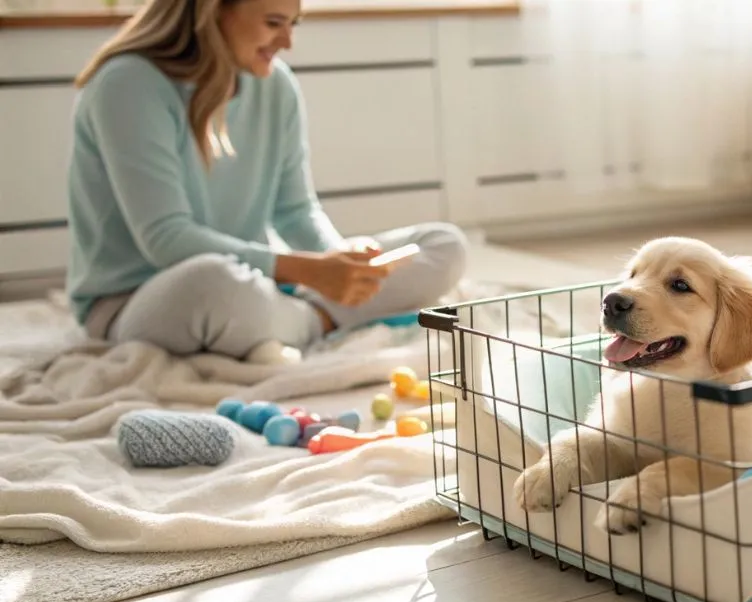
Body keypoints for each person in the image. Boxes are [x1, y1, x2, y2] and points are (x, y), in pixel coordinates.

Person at [64, 0, 468, 363]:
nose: (288, 42)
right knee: (213, 285)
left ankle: (299, 320)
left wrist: (340, 262)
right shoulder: (128, 85)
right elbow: (166, 239)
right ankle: (311, 320)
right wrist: (309, 272)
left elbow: (296, 210)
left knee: (441, 244)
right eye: (274, 22)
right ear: (212, 10)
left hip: (260, 283)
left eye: (294, 23)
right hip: (138, 300)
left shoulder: (277, 85)